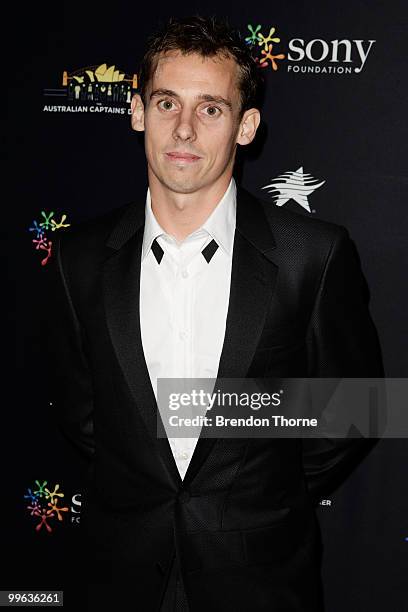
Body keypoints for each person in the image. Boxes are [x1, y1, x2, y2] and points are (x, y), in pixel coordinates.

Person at [46, 15, 384, 612]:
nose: (183, 129)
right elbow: (83, 415)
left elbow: (352, 411)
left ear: (246, 126)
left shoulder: (313, 254)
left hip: (260, 578)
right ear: (137, 111)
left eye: (210, 109)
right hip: (118, 577)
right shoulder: (80, 259)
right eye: (167, 101)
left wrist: (261, 495)